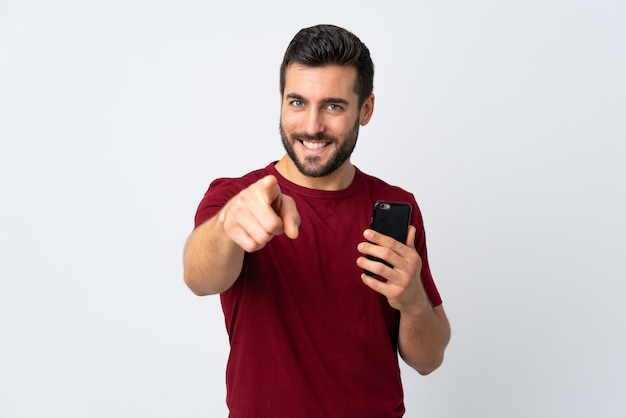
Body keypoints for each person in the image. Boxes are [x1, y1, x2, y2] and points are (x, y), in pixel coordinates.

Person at [183, 24, 451, 417]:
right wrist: (228, 224)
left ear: (366, 109)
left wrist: (411, 302)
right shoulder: (236, 199)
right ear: (280, 101)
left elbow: (429, 360)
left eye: (333, 106)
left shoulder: (395, 205)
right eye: (297, 103)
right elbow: (198, 278)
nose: (311, 126)